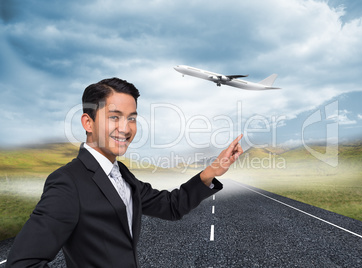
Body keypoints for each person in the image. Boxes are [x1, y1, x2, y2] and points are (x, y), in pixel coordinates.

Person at [6, 78, 243, 267]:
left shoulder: (121, 174)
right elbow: (22, 262)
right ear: (88, 123)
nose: (125, 128)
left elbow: (171, 206)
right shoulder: (68, 182)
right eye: (114, 117)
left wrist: (212, 171)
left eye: (132, 119)